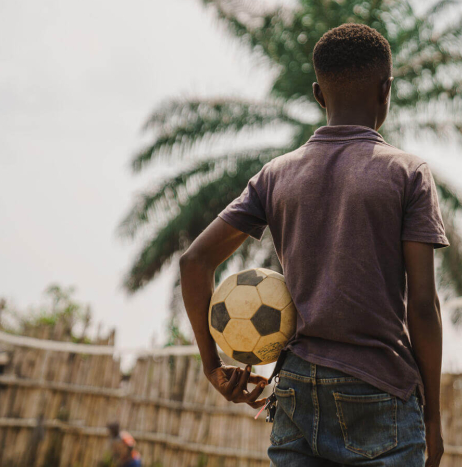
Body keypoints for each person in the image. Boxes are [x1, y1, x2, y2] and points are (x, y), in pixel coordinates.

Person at [180, 23, 447, 467]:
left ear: (318, 95)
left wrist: (212, 365)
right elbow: (421, 306)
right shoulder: (407, 173)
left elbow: (194, 261)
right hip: (380, 391)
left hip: (296, 391)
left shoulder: (276, 175)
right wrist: (433, 417)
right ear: (386, 90)